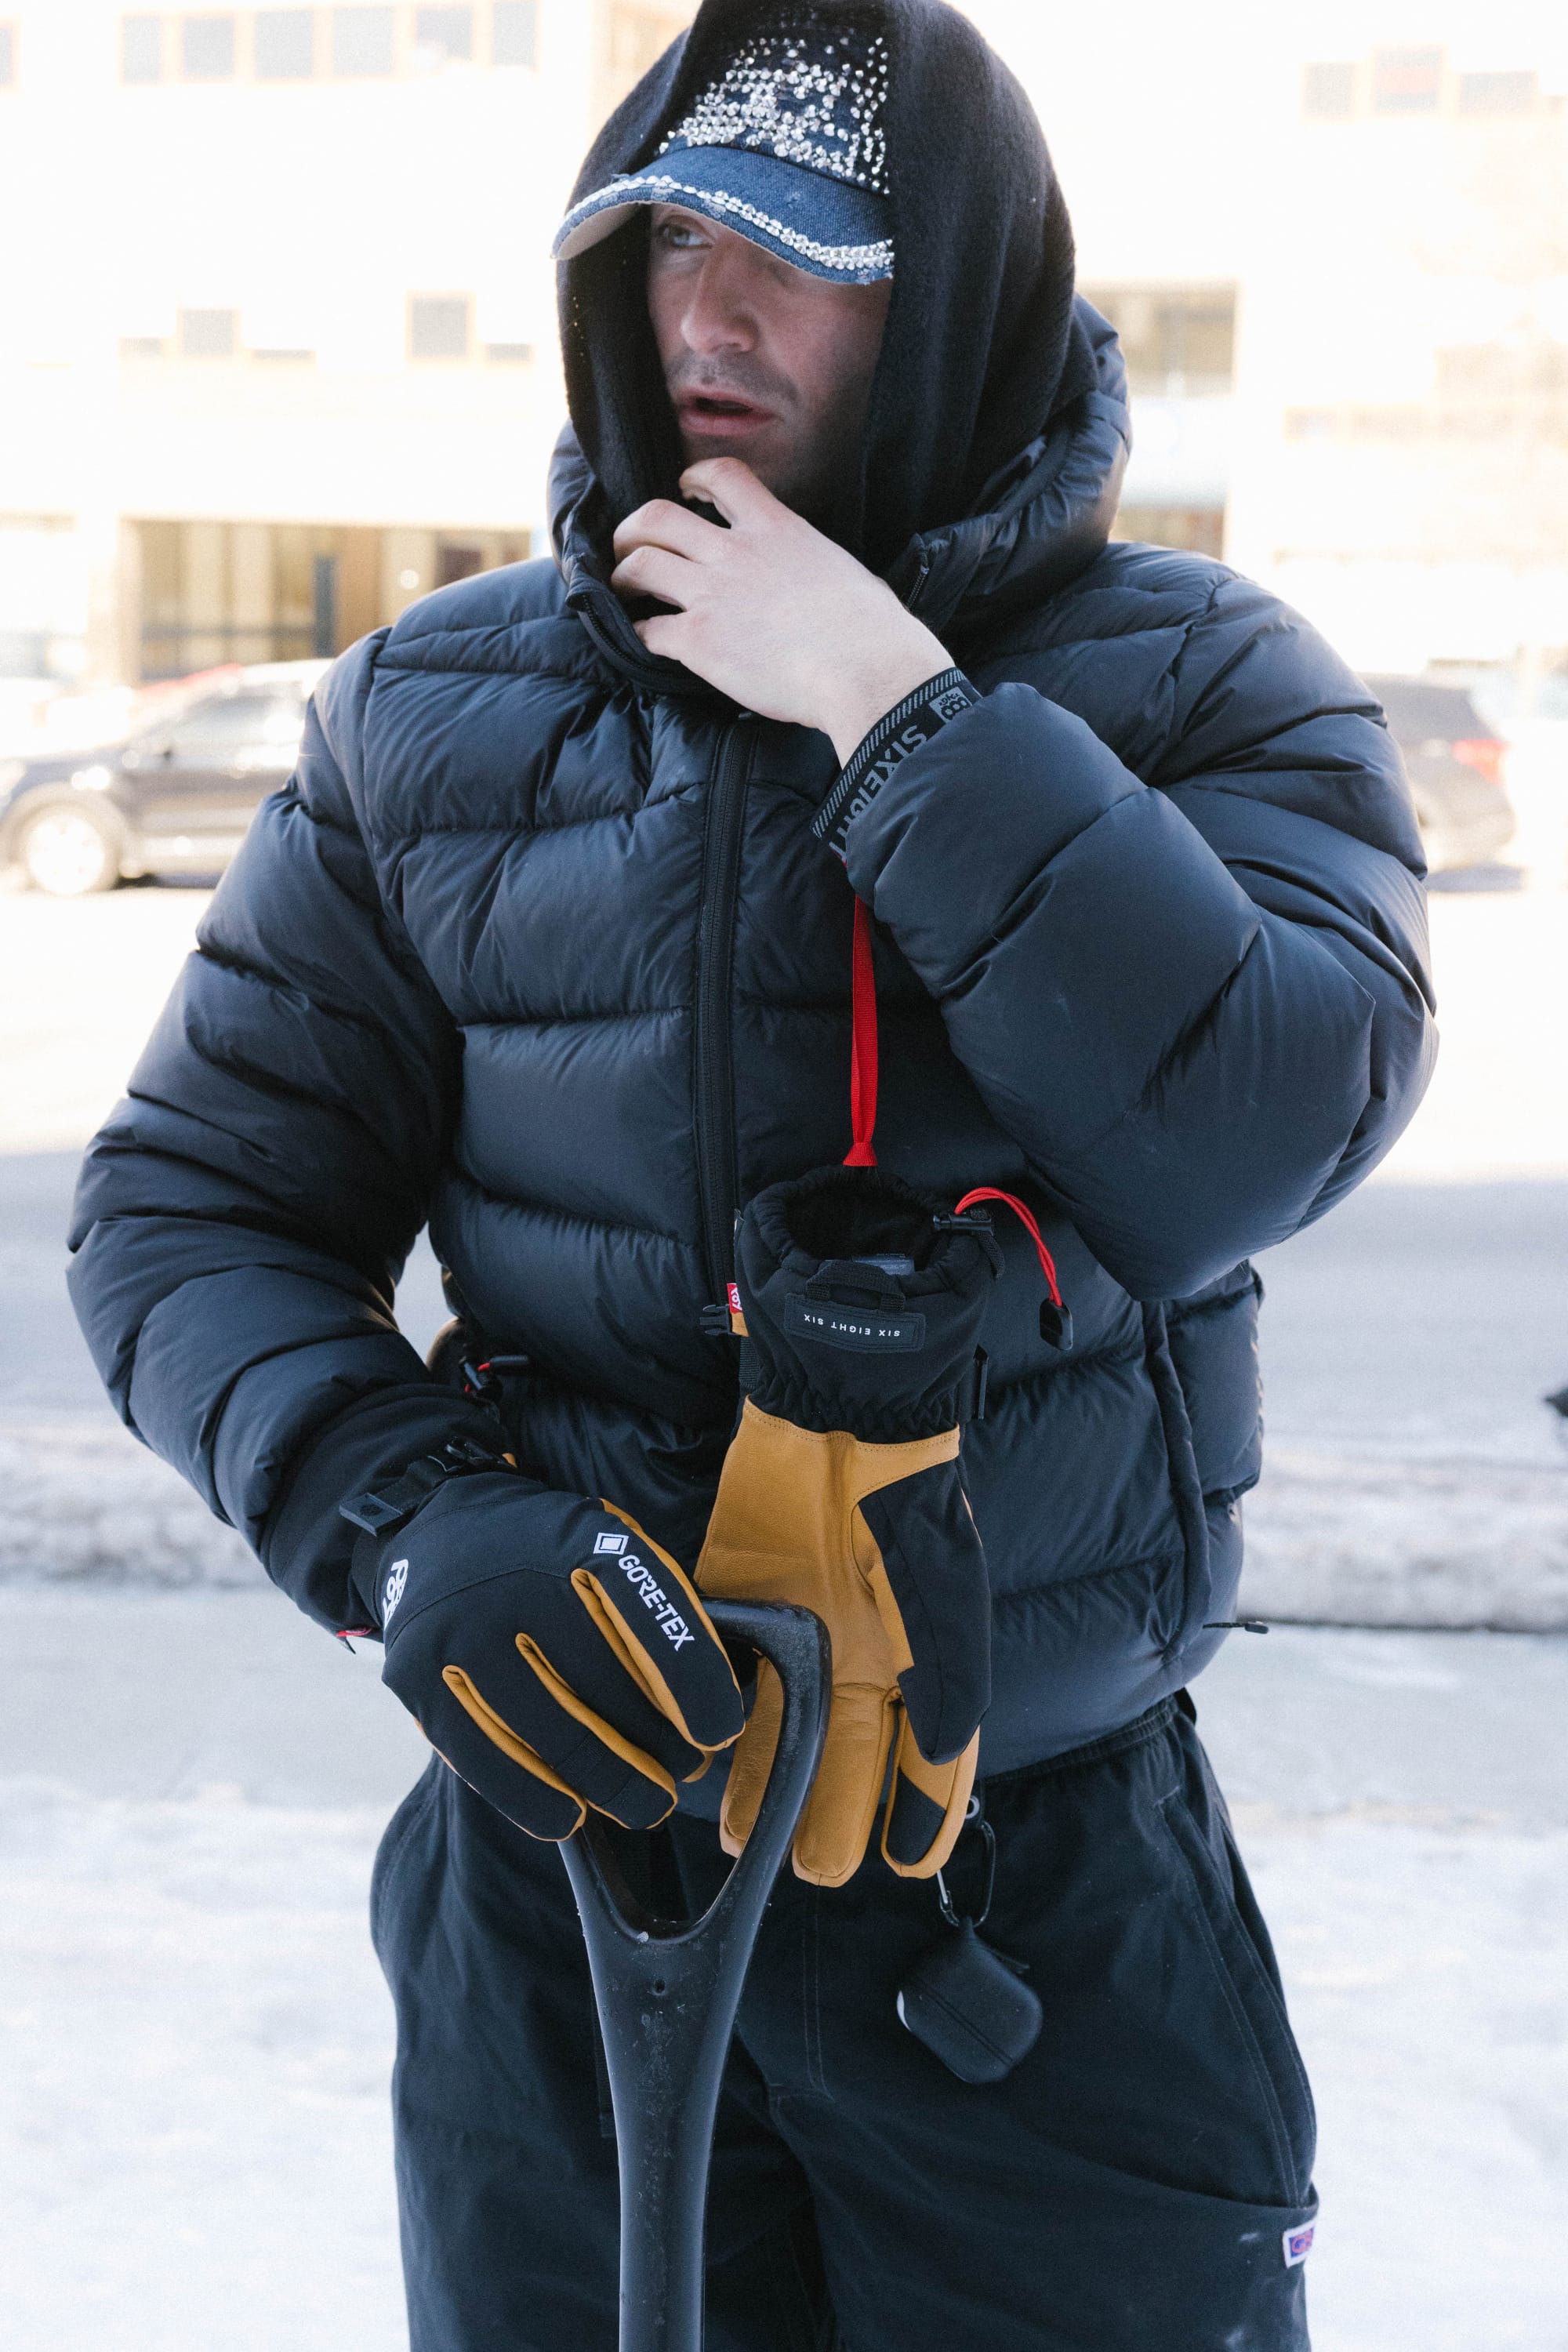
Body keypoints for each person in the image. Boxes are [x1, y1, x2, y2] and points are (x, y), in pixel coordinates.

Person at [68, 3, 1436, 2346]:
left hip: (1035, 1909)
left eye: (804, 257)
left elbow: (1253, 1127)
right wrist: (406, 1518)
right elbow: (190, 1210)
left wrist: (903, 718)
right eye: (672, 245)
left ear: (966, 299)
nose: (710, 313)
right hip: (564, 1877)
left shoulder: (1206, 683)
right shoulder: (434, 711)